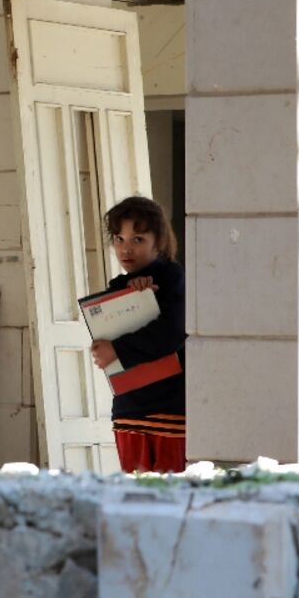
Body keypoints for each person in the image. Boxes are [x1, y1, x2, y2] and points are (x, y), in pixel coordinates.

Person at [90, 196, 187, 473]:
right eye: (119, 239)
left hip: (171, 410)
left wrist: (117, 349)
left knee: (170, 500)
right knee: (134, 499)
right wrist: (101, 350)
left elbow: (172, 332)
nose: (125, 249)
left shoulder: (172, 278)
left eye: (138, 240)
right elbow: (104, 341)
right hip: (128, 410)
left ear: (160, 242)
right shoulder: (117, 287)